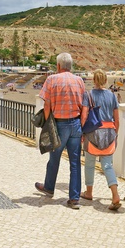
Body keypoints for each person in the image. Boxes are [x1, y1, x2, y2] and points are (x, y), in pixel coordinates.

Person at [34, 53, 87, 210]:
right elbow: (84, 107)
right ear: (70, 66)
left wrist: (47, 123)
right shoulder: (79, 81)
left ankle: (49, 187)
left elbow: (47, 105)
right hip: (76, 124)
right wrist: (82, 127)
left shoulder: (52, 80)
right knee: (75, 162)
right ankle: (74, 198)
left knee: (54, 157)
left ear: (58, 66)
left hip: (59, 124)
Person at [81, 69, 121, 211]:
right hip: (109, 132)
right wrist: (115, 133)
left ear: (94, 80)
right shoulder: (112, 96)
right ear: (105, 80)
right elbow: (116, 119)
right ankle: (115, 195)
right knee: (107, 165)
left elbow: (85, 115)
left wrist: (82, 132)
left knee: (90, 164)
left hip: (93, 132)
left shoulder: (89, 95)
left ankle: (89, 192)